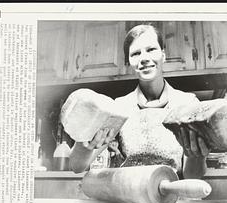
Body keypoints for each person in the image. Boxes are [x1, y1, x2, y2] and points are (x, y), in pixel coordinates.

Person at [69, 24, 210, 179]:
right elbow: (77, 166)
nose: (144, 58)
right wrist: (84, 143)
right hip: (129, 196)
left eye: (151, 50)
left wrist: (198, 156)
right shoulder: (120, 107)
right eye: (136, 53)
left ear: (163, 54)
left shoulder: (188, 104)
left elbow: (192, 176)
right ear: (129, 62)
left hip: (172, 196)